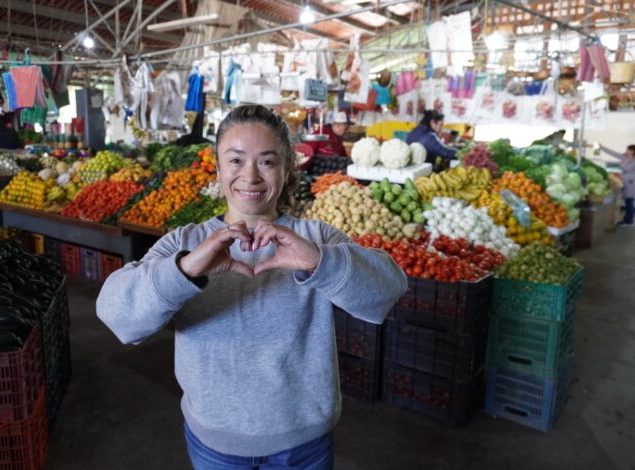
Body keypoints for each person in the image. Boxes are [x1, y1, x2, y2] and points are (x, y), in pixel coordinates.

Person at [96, 104, 406, 469]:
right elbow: (117, 316)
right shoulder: (185, 241)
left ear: (287, 167)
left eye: (267, 161)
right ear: (218, 167)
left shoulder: (315, 237)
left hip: (303, 442)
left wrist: (319, 262)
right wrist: (186, 269)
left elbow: (388, 291)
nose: (251, 176)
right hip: (216, 441)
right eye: (236, 160)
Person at [598, 143, 635, 226]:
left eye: (628, 150)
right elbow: (613, 153)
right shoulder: (625, 157)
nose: (626, 151)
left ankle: (628, 221)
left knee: (629, 202)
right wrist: (602, 147)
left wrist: (630, 178)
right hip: (624, 180)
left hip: (632, 183)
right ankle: (627, 220)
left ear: (632, 151)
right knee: (627, 201)